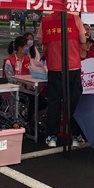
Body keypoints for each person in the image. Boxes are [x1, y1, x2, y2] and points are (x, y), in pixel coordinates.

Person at [37, 11, 86, 148]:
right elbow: (83, 40)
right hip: (73, 67)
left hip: (54, 67)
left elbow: (40, 40)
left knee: (54, 102)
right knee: (74, 102)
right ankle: (75, 136)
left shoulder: (46, 21)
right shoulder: (75, 19)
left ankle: (52, 137)